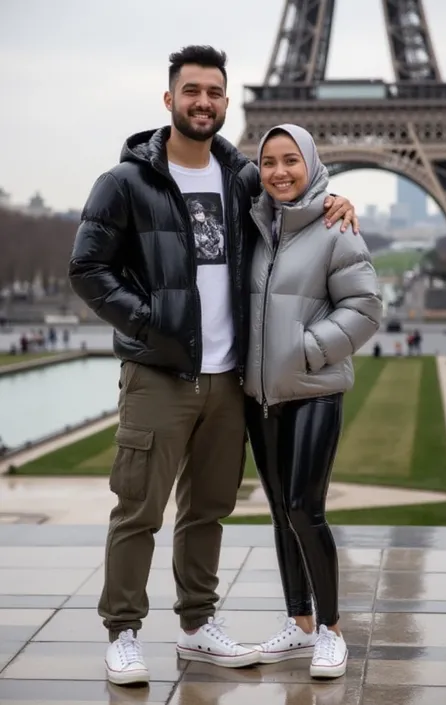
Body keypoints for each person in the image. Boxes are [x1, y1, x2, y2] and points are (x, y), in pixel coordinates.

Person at [68, 46, 359, 686]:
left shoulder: (244, 177)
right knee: (138, 508)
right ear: (169, 99)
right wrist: (149, 322)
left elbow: (300, 194)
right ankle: (124, 632)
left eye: (214, 92)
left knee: (208, 510)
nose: (203, 102)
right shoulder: (124, 182)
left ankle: (198, 627)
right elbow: (86, 268)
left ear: (227, 103)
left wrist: (339, 202)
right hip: (161, 374)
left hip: (230, 381)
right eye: (192, 90)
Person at [244, 124, 382, 679]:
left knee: (303, 506)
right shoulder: (252, 223)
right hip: (261, 395)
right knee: (280, 511)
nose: (280, 171)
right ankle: (298, 624)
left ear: (312, 163)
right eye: (270, 161)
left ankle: (330, 629)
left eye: (291, 161)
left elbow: (366, 307)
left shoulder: (336, 224)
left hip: (314, 388)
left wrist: (306, 350)